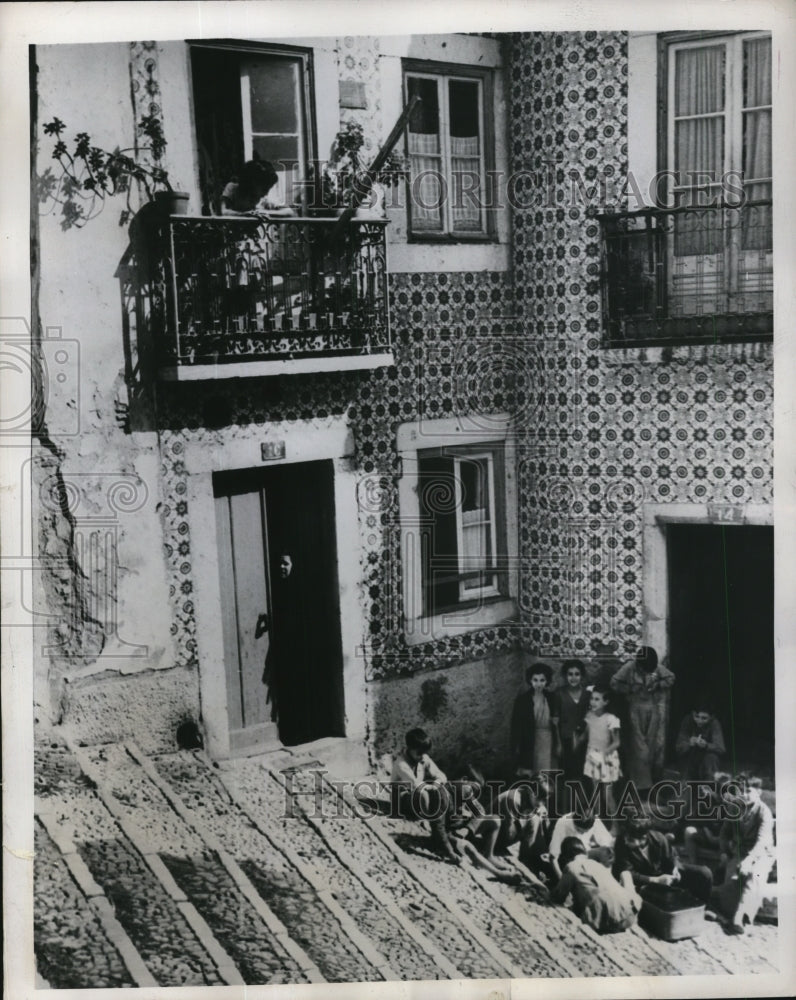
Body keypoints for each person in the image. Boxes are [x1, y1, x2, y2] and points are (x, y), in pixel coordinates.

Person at [713, 773, 775, 934]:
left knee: (754, 876)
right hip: (741, 850)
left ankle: (741, 916)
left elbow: (762, 841)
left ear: (759, 792)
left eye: (749, 790)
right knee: (733, 876)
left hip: (762, 853)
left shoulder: (764, 812)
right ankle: (723, 909)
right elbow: (724, 833)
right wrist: (724, 851)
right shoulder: (735, 808)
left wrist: (749, 861)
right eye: (741, 791)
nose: (744, 795)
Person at [609, 646, 674, 793]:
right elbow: (614, 683)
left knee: (649, 746)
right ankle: (641, 786)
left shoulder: (655, 667)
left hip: (652, 709)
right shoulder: (629, 667)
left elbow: (671, 678)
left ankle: (644, 783)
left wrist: (658, 685)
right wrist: (630, 689)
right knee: (639, 748)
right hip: (634, 709)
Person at [390, 727, 460, 864]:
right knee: (428, 795)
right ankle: (438, 828)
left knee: (444, 788)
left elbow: (441, 776)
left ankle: (448, 823)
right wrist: (435, 788)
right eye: (419, 752)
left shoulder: (423, 758)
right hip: (402, 799)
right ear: (409, 748)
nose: (422, 756)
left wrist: (438, 783)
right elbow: (416, 785)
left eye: (424, 753)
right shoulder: (401, 763)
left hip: (418, 793)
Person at [613, 814, 713, 905]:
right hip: (643, 885)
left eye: (630, 839)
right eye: (625, 837)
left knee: (704, 873)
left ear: (643, 838)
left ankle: (701, 907)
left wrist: (675, 869)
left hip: (664, 877)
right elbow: (627, 874)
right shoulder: (621, 843)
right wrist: (655, 880)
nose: (626, 841)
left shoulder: (659, 838)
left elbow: (671, 858)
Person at [549, 837, 641, 934]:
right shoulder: (598, 865)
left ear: (566, 857)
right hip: (627, 916)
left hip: (601, 920)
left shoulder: (572, 866)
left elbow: (558, 897)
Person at [551, 659, 591, 811]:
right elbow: (555, 722)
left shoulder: (588, 695)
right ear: (565, 676)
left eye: (577, 674)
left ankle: (583, 807)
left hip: (584, 741)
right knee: (568, 774)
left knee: (583, 773)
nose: (573, 678)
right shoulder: (559, 694)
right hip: (566, 740)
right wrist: (558, 743)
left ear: (582, 676)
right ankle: (567, 808)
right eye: (570, 674)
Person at [510, 662, 558, 777]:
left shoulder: (552, 698)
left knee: (548, 771)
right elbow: (515, 725)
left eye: (542, 680)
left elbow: (556, 722)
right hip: (531, 739)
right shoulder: (523, 700)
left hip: (548, 739)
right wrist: (515, 746)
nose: (538, 684)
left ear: (547, 681)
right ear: (530, 681)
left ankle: (549, 793)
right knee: (533, 771)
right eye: (535, 680)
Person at [582, 685, 621, 820]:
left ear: (606, 702)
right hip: (592, 756)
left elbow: (616, 742)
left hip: (606, 759)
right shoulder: (589, 716)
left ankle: (616, 826)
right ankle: (598, 825)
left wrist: (603, 754)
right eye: (592, 698)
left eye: (597, 699)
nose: (593, 702)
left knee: (607, 795)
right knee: (596, 794)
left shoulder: (611, 719)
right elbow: (586, 735)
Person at [548, 808, 614, 883]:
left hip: (585, 854)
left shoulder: (595, 820)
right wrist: (562, 880)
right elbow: (553, 857)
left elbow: (608, 843)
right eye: (579, 830)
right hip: (568, 859)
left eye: (586, 831)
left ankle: (607, 881)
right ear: (573, 821)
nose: (582, 833)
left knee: (606, 852)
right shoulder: (563, 822)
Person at [221, 159, 294, 216]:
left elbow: (289, 212)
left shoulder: (262, 199)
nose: (266, 193)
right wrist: (245, 215)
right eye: (264, 189)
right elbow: (222, 212)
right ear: (253, 182)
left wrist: (262, 213)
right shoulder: (233, 188)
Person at [674, 702, 726, 782]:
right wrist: (689, 743)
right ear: (693, 714)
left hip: (707, 759)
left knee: (712, 758)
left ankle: (710, 787)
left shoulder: (714, 723)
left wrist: (706, 745)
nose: (699, 721)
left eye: (704, 718)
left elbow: (721, 748)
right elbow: (678, 747)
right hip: (690, 758)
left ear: (711, 717)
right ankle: (686, 787)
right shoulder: (687, 720)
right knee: (686, 759)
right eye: (697, 717)